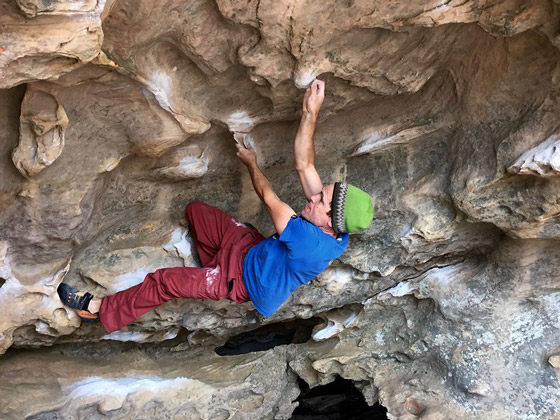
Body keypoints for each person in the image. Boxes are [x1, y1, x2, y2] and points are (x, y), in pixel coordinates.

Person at [57, 79, 374, 333]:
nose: (314, 197)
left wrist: (251, 162)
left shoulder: (312, 244)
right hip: (251, 249)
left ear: (331, 222)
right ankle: (211, 267)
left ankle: (99, 310)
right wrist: (310, 113)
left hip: (241, 279)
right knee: (197, 212)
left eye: (321, 200)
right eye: (322, 193)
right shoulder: (333, 222)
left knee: (166, 281)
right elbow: (305, 165)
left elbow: (269, 198)